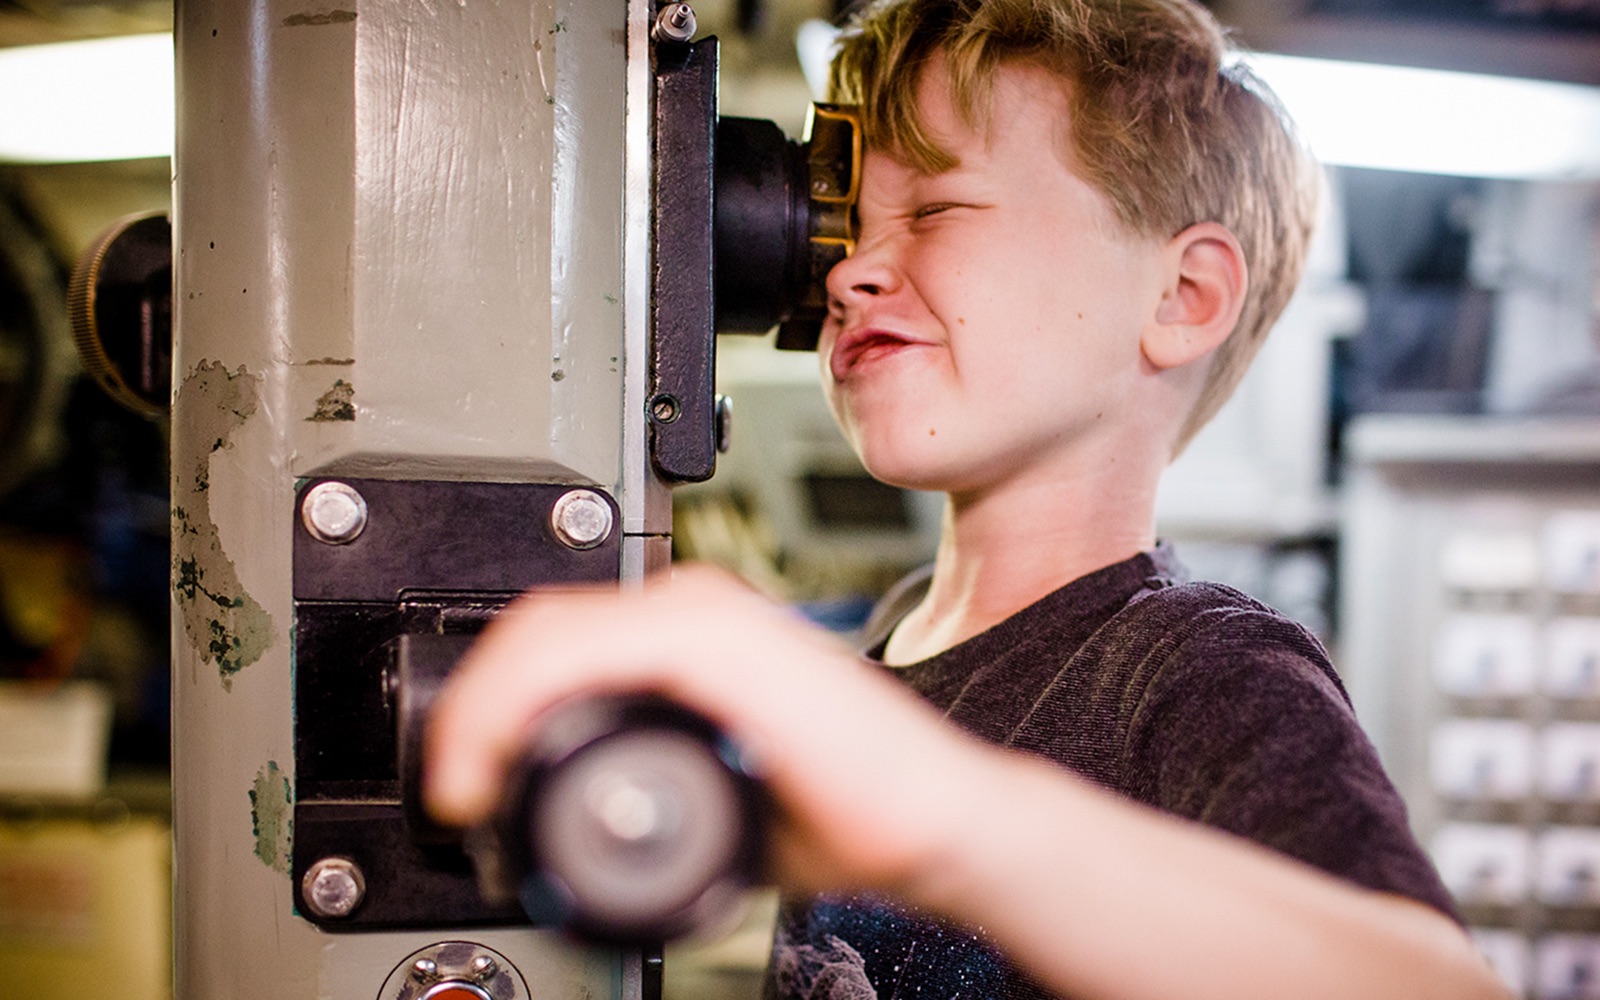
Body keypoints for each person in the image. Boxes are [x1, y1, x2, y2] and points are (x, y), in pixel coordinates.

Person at [427, 1, 1513, 997]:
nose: (849, 271)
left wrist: (946, 820)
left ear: (1182, 297)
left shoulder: (1200, 671)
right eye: (852, 226)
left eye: (937, 207)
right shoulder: (902, 634)